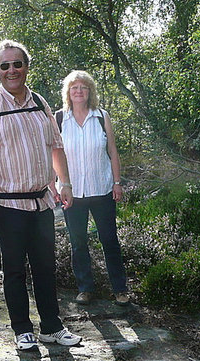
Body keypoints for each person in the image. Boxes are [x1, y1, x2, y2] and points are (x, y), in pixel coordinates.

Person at [0, 40, 81, 350]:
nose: (12, 70)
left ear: (26, 67)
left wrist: (64, 183)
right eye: (5, 66)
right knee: (14, 269)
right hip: (6, 204)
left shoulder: (41, 103)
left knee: (45, 267)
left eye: (17, 64)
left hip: (42, 201)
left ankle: (52, 327)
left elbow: (56, 146)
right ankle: (22, 330)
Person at [57, 70, 129, 306]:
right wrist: (53, 184)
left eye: (84, 88)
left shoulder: (101, 116)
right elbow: (53, 154)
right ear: (68, 92)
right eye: (74, 87)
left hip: (102, 189)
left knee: (109, 240)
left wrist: (117, 183)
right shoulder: (59, 118)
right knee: (78, 242)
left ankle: (120, 290)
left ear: (90, 92)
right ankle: (85, 289)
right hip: (72, 193)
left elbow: (113, 151)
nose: (79, 91)